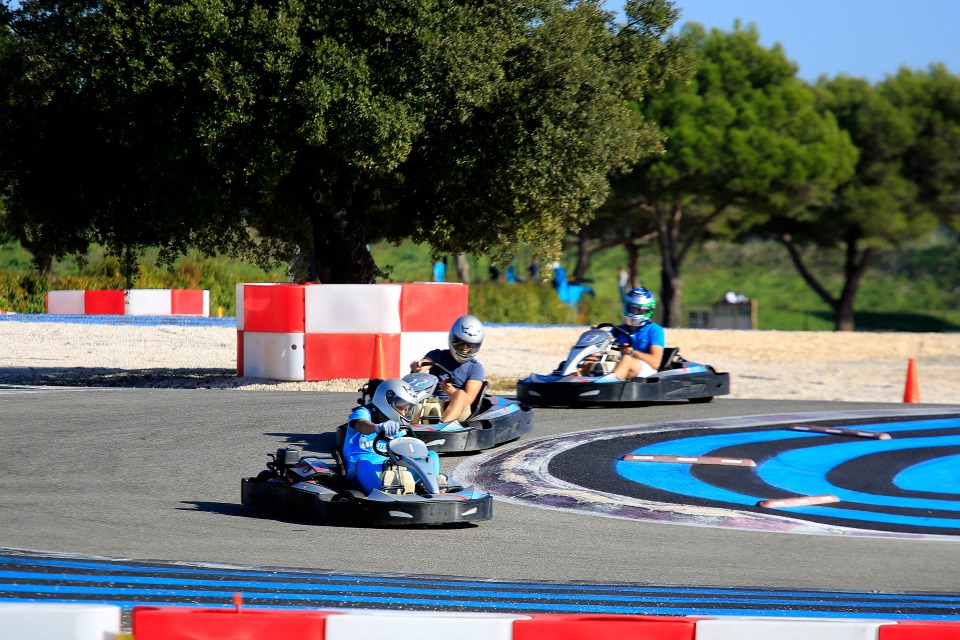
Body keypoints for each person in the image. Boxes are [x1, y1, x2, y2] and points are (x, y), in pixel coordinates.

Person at [343, 378, 441, 493]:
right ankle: (379, 494)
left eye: (406, 409)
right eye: (400, 407)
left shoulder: (399, 426)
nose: (404, 413)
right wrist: (377, 427)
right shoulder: (364, 413)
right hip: (360, 471)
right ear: (385, 401)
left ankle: (431, 489)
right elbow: (361, 425)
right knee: (364, 463)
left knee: (431, 456)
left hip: (392, 471)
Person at [409, 314, 485, 423]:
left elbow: (468, 400)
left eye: (470, 346)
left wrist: (451, 391)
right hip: (431, 403)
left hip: (457, 409)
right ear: (453, 339)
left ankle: (442, 427)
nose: (464, 349)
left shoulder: (476, 368)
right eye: (461, 343)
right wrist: (418, 365)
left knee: (461, 394)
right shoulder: (438, 355)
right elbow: (425, 364)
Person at [595, 287, 665, 381]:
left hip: (648, 372)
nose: (634, 313)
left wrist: (633, 352)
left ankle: (607, 384)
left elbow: (655, 363)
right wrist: (596, 333)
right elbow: (604, 340)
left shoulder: (655, 330)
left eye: (638, 310)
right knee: (592, 359)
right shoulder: (620, 329)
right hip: (628, 368)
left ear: (647, 311)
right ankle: (576, 381)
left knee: (627, 359)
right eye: (631, 309)